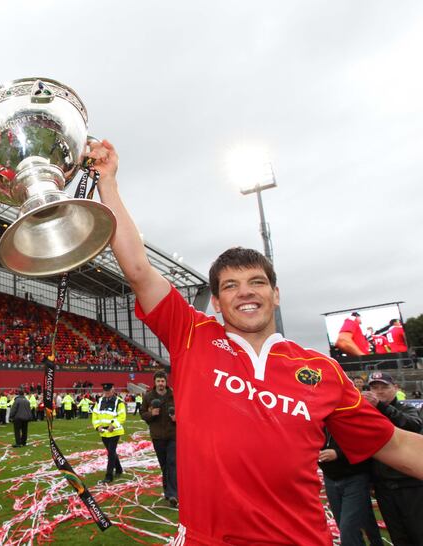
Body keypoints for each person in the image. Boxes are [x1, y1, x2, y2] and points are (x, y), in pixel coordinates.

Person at [89, 139, 423, 544]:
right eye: (231, 286)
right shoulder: (192, 334)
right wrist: (108, 182)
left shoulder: (322, 370)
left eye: (257, 283)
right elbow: (139, 270)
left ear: (276, 294)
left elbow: (397, 445)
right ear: (216, 300)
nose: (245, 293)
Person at [363, 371, 423, 544]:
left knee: (418, 532)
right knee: (399, 536)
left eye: (384, 387)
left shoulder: (406, 408)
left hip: (410, 485)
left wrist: (383, 408)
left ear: (395, 388)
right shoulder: (368, 413)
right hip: (384, 486)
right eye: (375, 388)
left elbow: (413, 425)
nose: (379, 392)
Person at [318, 430, 382, 546]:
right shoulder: (321, 420)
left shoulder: (351, 416)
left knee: (349, 531)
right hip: (331, 478)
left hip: (355, 478)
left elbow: (365, 446)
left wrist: (338, 453)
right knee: (349, 526)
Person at [140, 370, 177, 507]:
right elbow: (142, 413)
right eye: (158, 381)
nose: (161, 383)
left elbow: (184, 410)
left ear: (166, 382)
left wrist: (177, 418)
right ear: (154, 383)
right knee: (164, 465)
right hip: (157, 436)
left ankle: (173, 494)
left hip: (173, 435)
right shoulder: (149, 396)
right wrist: (151, 414)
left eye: (163, 381)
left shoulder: (174, 395)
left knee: (172, 463)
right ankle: (168, 492)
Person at [91, 383, 125, 484]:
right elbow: (95, 415)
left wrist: (113, 425)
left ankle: (109, 476)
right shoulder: (99, 401)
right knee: (112, 452)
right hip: (104, 432)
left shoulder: (119, 402)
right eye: (105, 391)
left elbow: (122, 416)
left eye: (109, 391)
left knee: (110, 453)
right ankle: (119, 469)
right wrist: (97, 426)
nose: (106, 393)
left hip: (114, 431)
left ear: (113, 390)